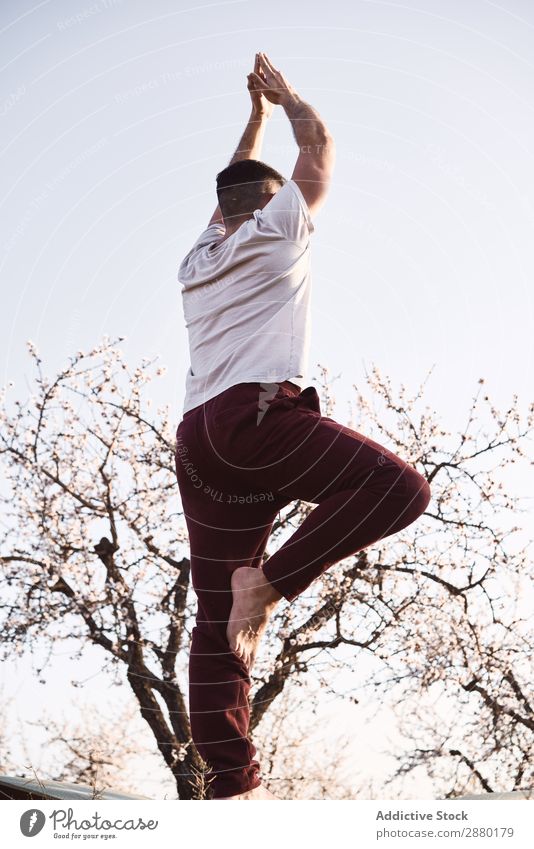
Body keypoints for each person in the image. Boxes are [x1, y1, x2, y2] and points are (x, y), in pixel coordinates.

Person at [175, 52, 431, 800]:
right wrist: (287, 100)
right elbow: (316, 147)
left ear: (221, 212)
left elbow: (233, 183)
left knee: (213, 622)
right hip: (254, 418)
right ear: (275, 202)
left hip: (198, 443)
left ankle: (232, 785)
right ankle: (274, 582)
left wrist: (251, 119)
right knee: (400, 489)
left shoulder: (199, 257)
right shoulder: (280, 229)